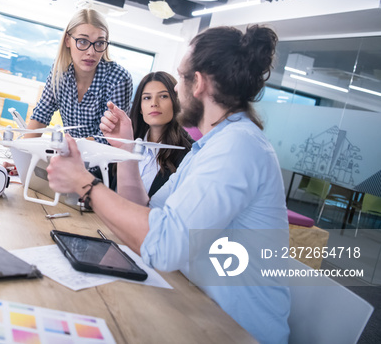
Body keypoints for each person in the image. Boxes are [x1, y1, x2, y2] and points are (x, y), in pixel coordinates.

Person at [46, 25, 290, 343]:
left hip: (233, 331)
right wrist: (127, 151)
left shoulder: (237, 148)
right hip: (194, 307)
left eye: (180, 79)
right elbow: (146, 216)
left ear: (198, 83)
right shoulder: (213, 146)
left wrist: (85, 184)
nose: (176, 92)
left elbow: (163, 246)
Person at [28, 9, 132, 139]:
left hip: (103, 157)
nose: (91, 52)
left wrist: (69, 152)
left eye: (99, 43)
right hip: (72, 152)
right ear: (67, 40)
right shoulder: (60, 71)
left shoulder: (118, 79)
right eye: (83, 41)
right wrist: (22, 154)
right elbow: (40, 116)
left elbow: (109, 137)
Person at [108, 71, 192, 204]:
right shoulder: (127, 141)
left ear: (176, 102)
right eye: (147, 98)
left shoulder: (188, 154)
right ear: (140, 108)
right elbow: (102, 180)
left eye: (163, 96)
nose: (154, 103)